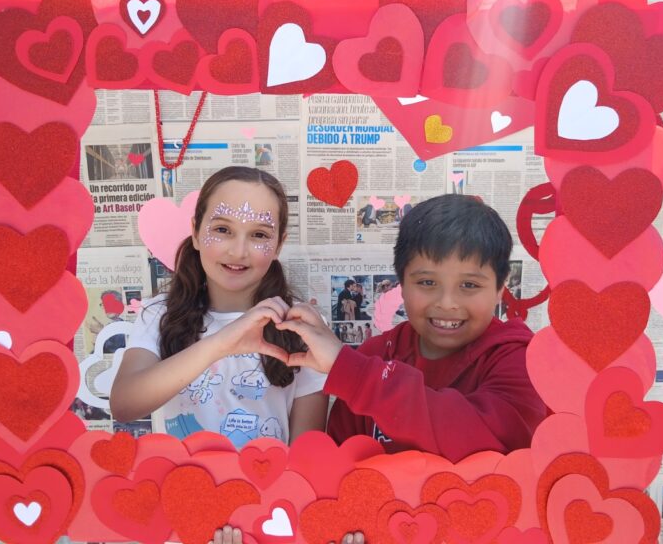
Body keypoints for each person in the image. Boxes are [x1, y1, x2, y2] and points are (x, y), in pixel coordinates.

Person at [111, 167, 329, 544]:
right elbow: (125, 404)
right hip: (181, 516)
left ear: (279, 244)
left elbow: (305, 455)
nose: (238, 251)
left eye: (259, 235)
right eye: (223, 229)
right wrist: (223, 341)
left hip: (265, 521)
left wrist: (261, 521)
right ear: (196, 233)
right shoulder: (158, 315)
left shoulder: (303, 326)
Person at [277, 194, 547, 461]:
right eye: (427, 283)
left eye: (469, 285)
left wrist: (356, 376)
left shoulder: (519, 359)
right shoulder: (375, 354)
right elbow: (344, 460)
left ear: (500, 289)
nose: (447, 303)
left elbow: (488, 438)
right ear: (402, 285)